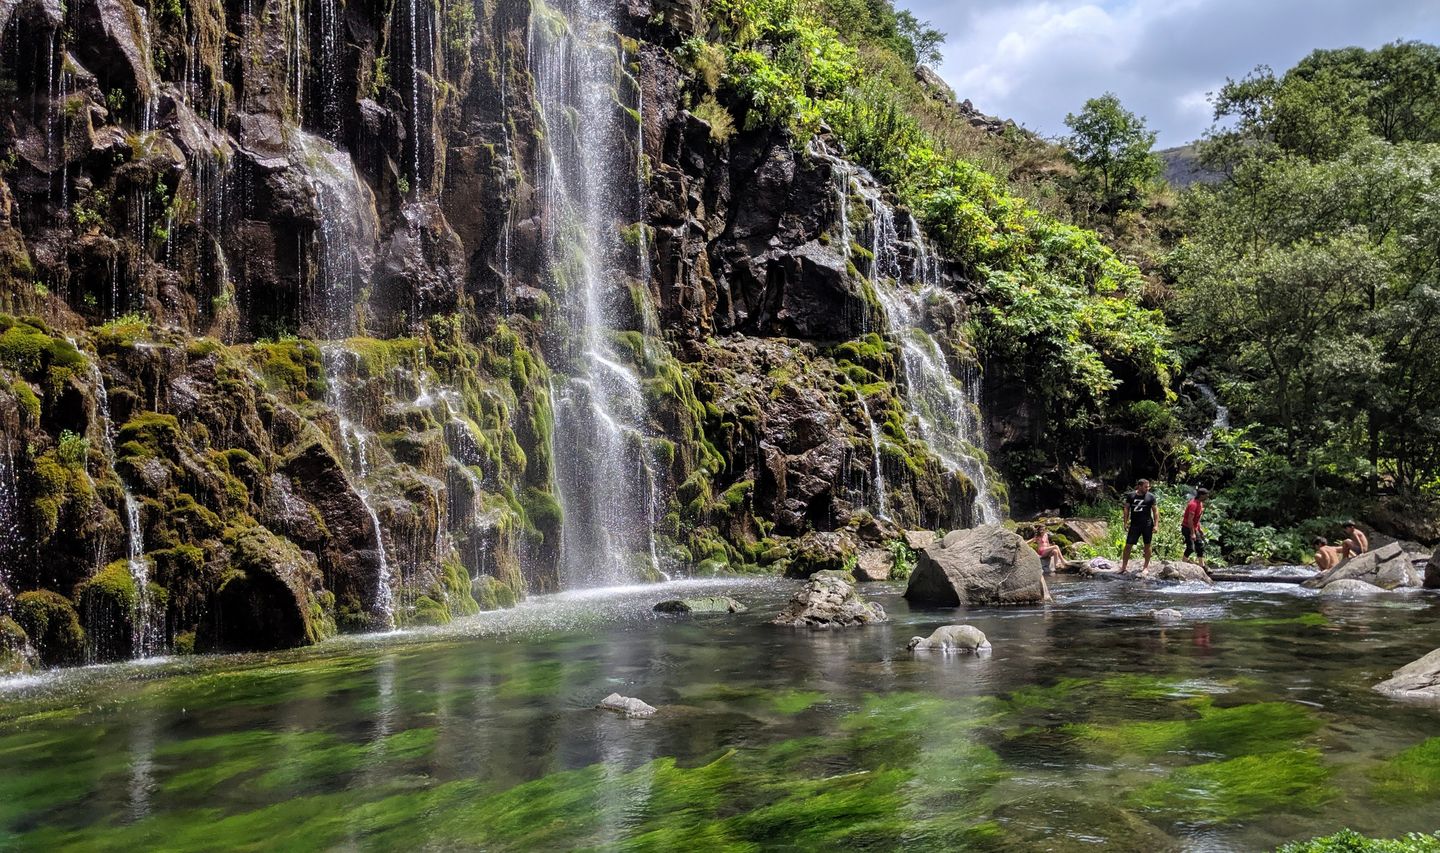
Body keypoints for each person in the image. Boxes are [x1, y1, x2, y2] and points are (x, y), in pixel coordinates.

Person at [1120, 479, 1159, 574]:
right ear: (1139, 486)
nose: (1148, 488)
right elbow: (1126, 509)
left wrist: (1156, 525)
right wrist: (1125, 522)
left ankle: (1145, 567)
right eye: (1146, 487)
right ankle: (1123, 567)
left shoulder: (1151, 497)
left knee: (1147, 545)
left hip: (1147, 524)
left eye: (1148, 487)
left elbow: (1155, 511)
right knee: (1128, 545)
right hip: (1134, 524)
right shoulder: (1131, 496)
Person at [1181, 488, 1209, 568]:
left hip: (1194, 528)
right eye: (1206, 496)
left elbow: (1197, 519)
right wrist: (1192, 533)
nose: (1207, 497)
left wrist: (1199, 529)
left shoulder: (1200, 503)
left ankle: (1202, 565)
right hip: (1187, 528)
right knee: (1190, 548)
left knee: (1200, 545)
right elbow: (1190, 520)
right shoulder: (1193, 504)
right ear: (1201, 495)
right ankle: (1183, 563)